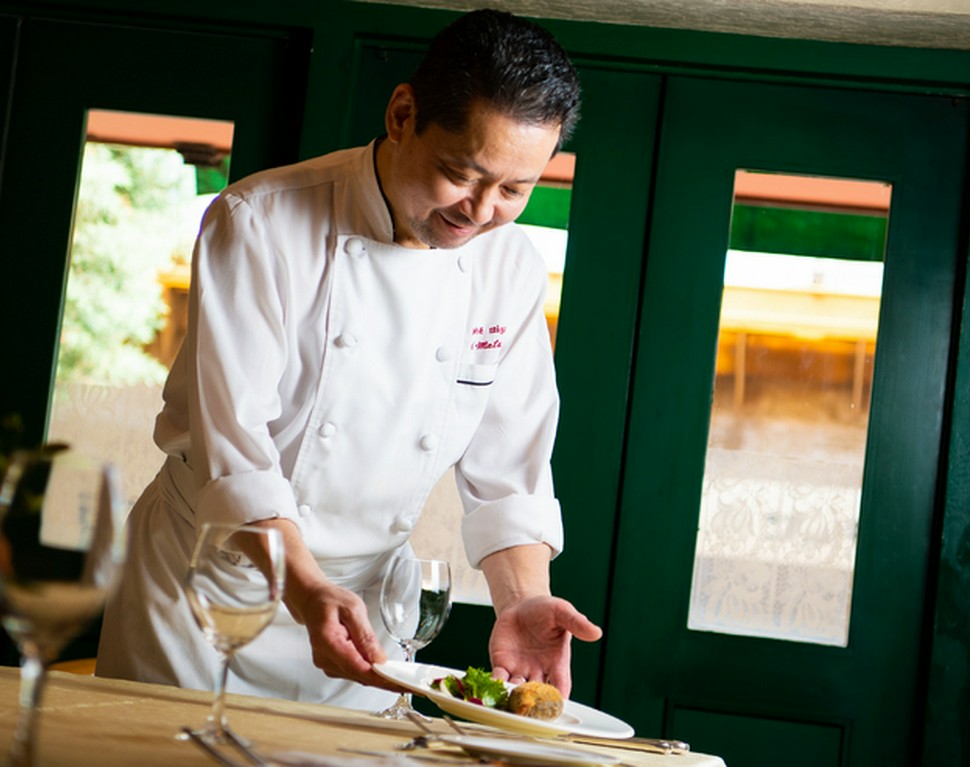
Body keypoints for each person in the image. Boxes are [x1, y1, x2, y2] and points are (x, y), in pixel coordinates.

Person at [96, 9, 602, 709]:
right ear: (402, 115)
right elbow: (235, 451)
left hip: (363, 616)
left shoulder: (509, 270)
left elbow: (510, 475)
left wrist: (523, 599)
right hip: (207, 598)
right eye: (462, 173)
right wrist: (305, 590)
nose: (481, 211)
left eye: (515, 190)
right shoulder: (260, 222)